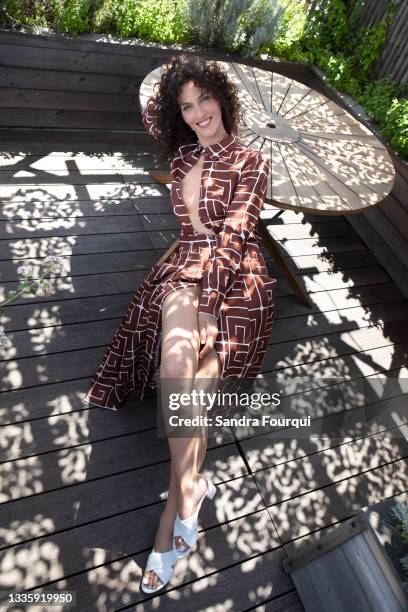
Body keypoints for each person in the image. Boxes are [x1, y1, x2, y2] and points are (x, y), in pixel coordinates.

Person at [82, 54, 276, 593]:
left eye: (205, 99)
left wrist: (212, 304)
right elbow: (152, 104)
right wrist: (181, 73)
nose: (197, 113)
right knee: (176, 361)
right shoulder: (183, 149)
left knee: (198, 377)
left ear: (224, 98)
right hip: (184, 264)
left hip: (236, 275)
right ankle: (192, 488)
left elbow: (237, 234)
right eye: (187, 106)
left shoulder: (251, 159)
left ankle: (174, 509)